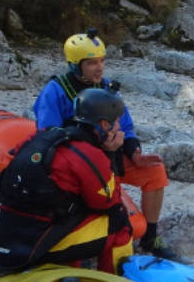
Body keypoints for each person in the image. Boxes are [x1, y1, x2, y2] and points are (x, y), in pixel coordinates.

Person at [32, 30, 176, 258]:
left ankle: (150, 238)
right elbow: (48, 135)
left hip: (111, 156)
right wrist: (95, 147)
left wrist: (134, 152)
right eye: (91, 63)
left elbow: (126, 127)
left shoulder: (106, 88)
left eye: (101, 61)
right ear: (74, 65)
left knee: (155, 172)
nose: (99, 68)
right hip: (79, 163)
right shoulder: (56, 91)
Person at [0, 88, 134, 275]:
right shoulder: (90, 155)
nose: (119, 127)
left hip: (8, 228)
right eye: (117, 121)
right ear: (104, 125)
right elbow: (108, 202)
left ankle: (71, 273)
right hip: (41, 239)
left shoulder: (41, 137)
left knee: (72, 207)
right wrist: (111, 153)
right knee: (119, 221)